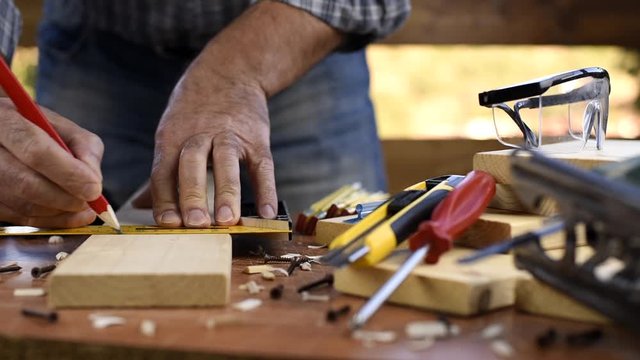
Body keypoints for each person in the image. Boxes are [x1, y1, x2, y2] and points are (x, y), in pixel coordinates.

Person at [0, 0, 411, 228]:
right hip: (97, 43)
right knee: (68, 238)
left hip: (299, 44)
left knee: (333, 253)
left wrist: (237, 72)